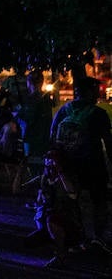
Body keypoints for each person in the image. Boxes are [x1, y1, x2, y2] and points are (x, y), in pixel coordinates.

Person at [50, 75, 112, 249]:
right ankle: (99, 237)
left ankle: (77, 236)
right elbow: (108, 142)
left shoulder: (64, 110)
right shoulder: (98, 114)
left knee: (73, 201)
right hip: (92, 165)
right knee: (98, 199)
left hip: (69, 165)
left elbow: (52, 136)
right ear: (90, 92)